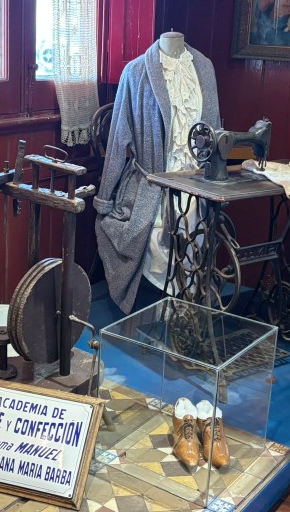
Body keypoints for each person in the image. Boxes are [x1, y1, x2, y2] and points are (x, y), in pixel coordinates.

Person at [94, 32, 220, 313]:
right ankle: (170, 304)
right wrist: (105, 199)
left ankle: (184, 302)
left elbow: (215, 131)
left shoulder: (204, 68)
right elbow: (118, 141)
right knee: (156, 235)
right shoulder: (135, 72)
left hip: (196, 183)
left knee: (196, 230)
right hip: (150, 183)